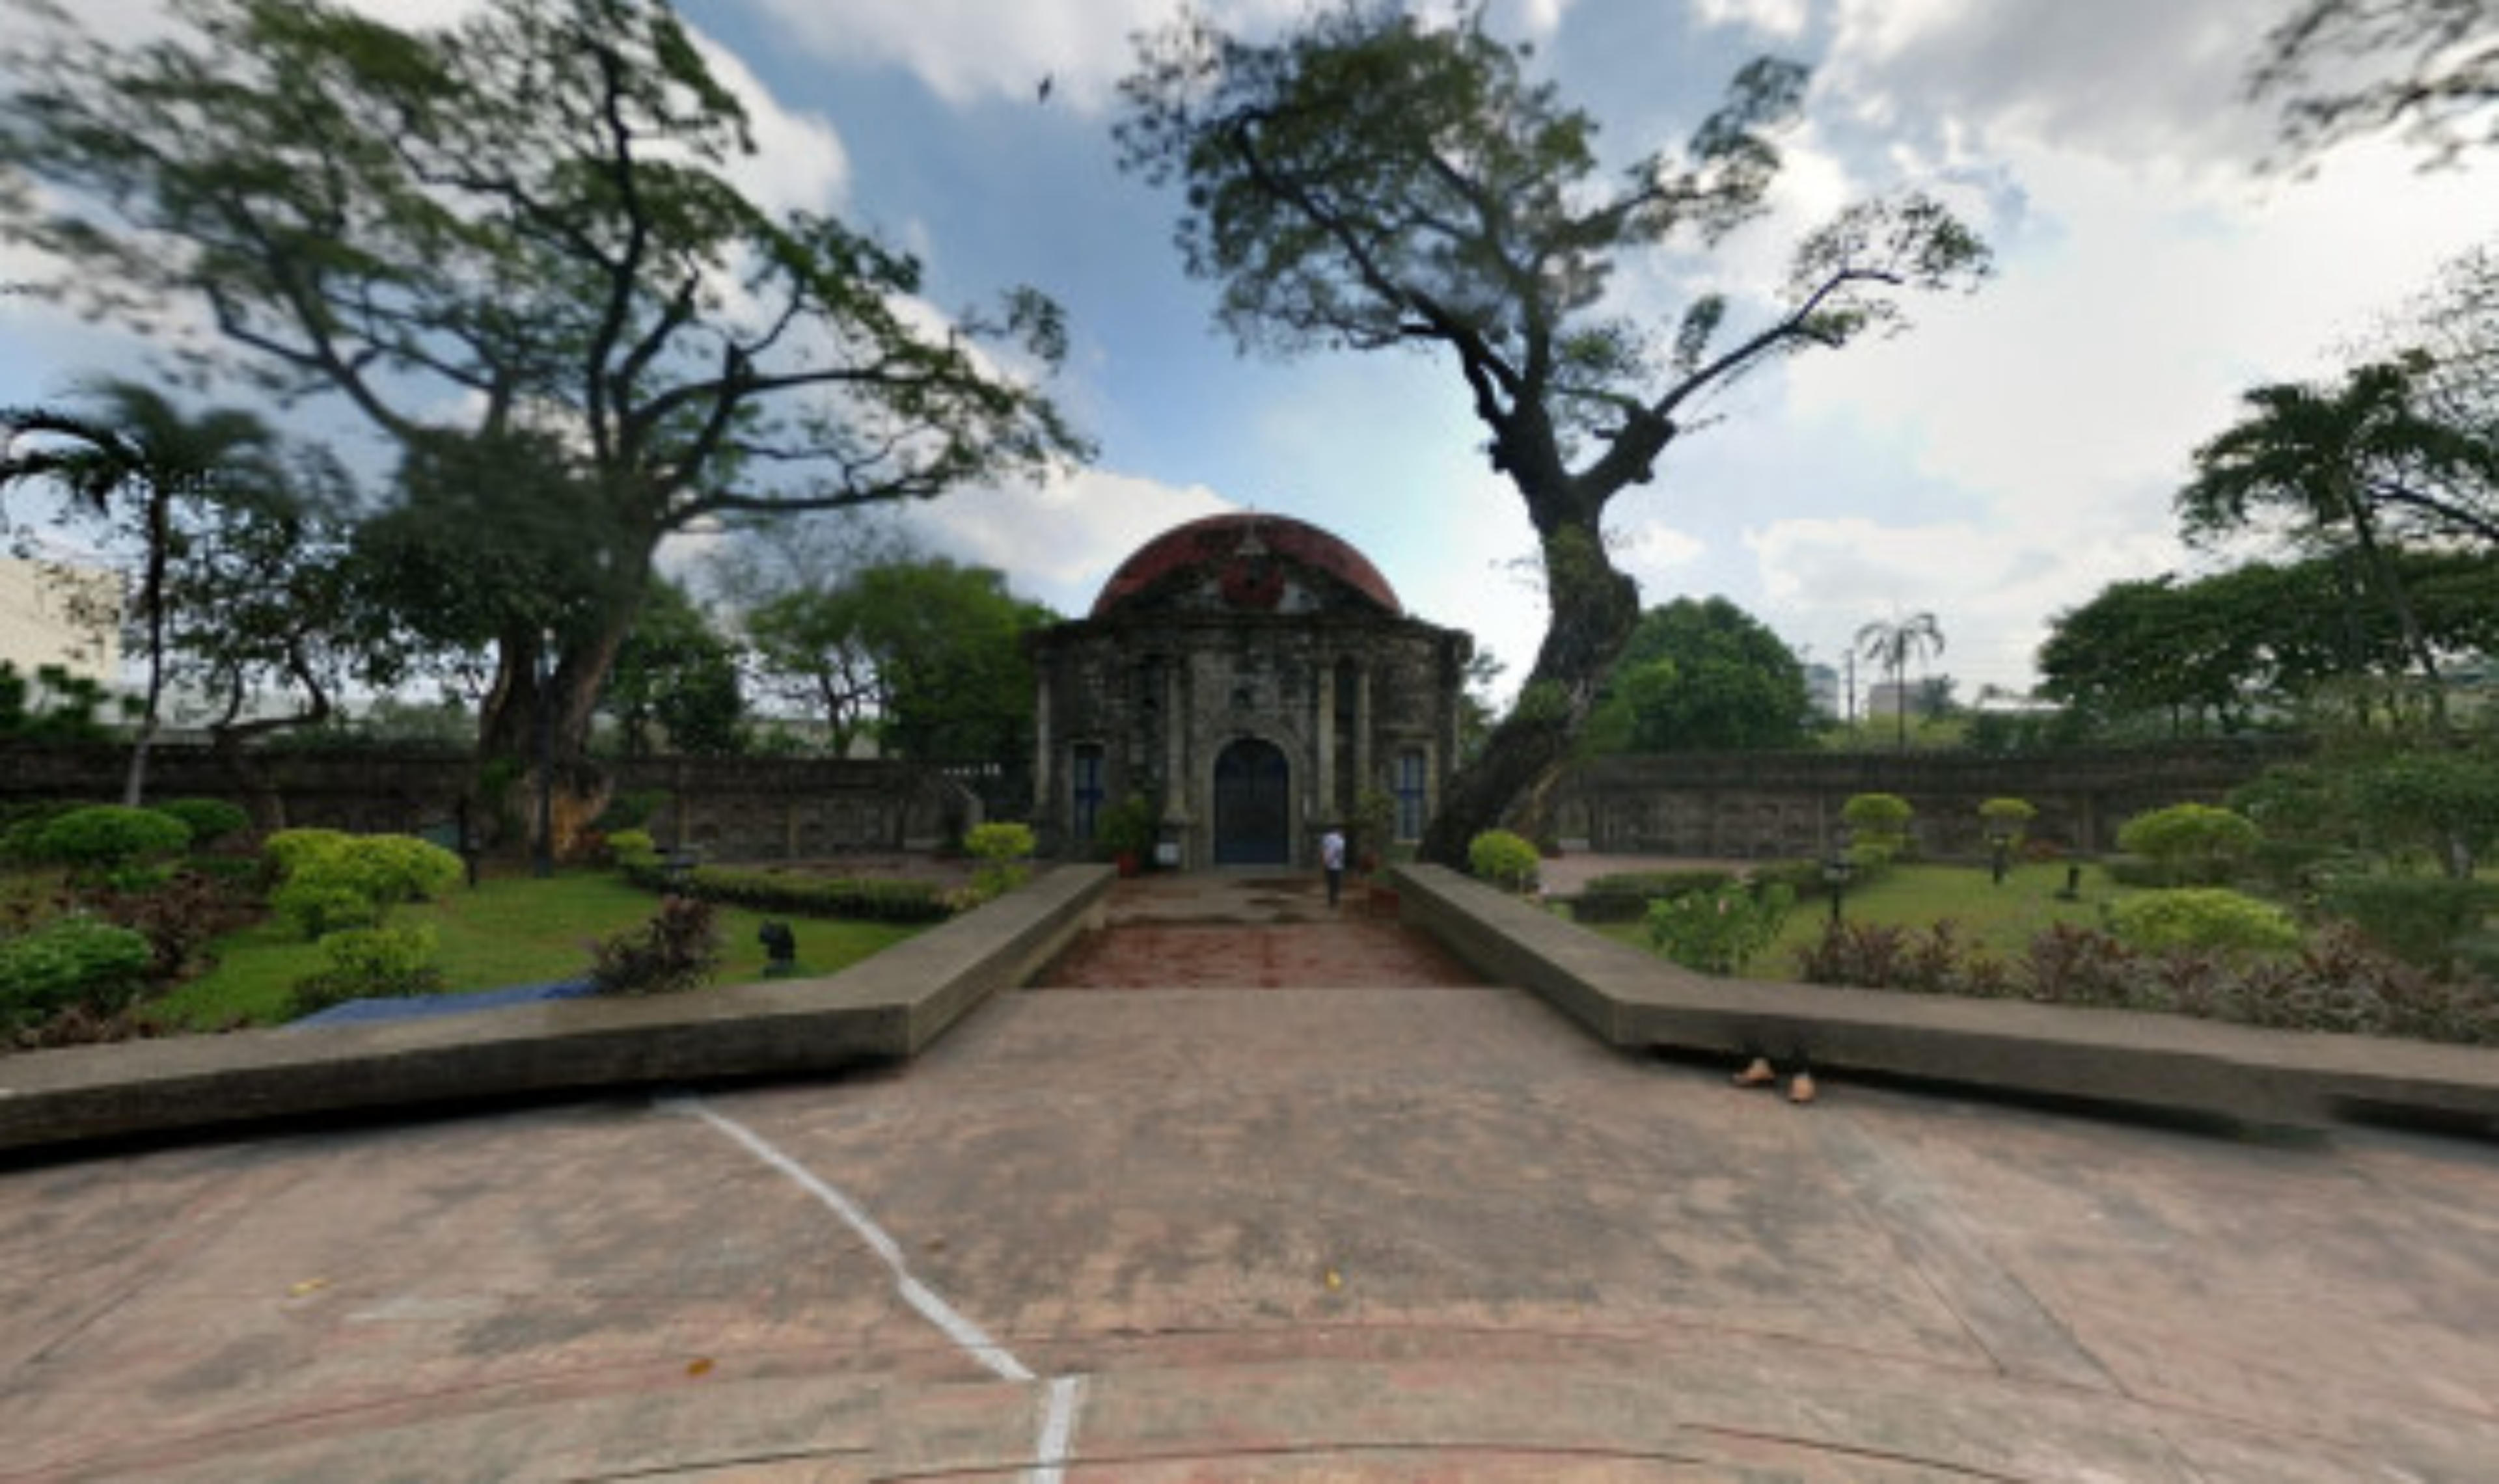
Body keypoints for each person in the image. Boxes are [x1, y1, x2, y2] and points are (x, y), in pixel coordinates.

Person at [1320, 825, 1346, 909]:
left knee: (1330, 883)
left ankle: (1331, 900)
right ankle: (1335, 900)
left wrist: (1325, 861)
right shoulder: (1341, 840)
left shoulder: (1326, 838)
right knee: (1336, 884)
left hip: (1328, 864)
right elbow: (1339, 852)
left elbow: (1324, 850)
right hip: (1337, 865)